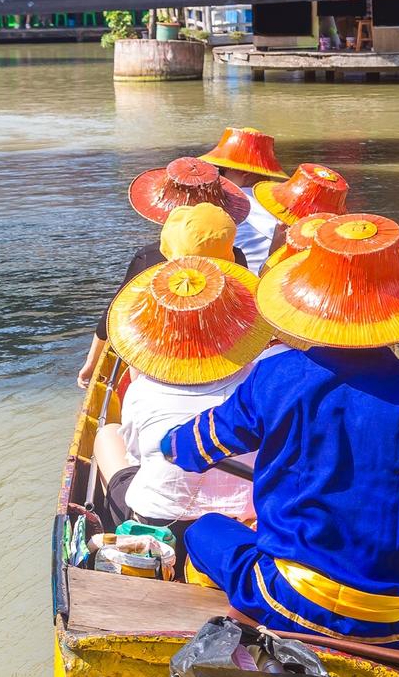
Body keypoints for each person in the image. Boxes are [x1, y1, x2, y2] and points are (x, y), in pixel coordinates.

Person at [159, 213, 399, 651]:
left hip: (286, 597)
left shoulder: (276, 377)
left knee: (204, 530)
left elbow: (198, 446)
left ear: (312, 305)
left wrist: (170, 444)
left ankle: (236, 602)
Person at [90, 253, 277, 555]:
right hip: (249, 517)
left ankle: (118, 532)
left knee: (106, 434)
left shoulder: (143, 391)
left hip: (163, 521)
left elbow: (137, 456)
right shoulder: (266, 377)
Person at [76, 160, 250, 387]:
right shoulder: (235, 257)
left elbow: (113, 315)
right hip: (221, 352)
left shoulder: (149, 258)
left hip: (160, 355)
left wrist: (90, 364)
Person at [199, 127, 286, 272]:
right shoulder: (289, 203)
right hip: (277, 278)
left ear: (244, 172)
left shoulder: (225, 202)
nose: (217, 177)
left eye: (220, 170)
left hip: (240, 281)